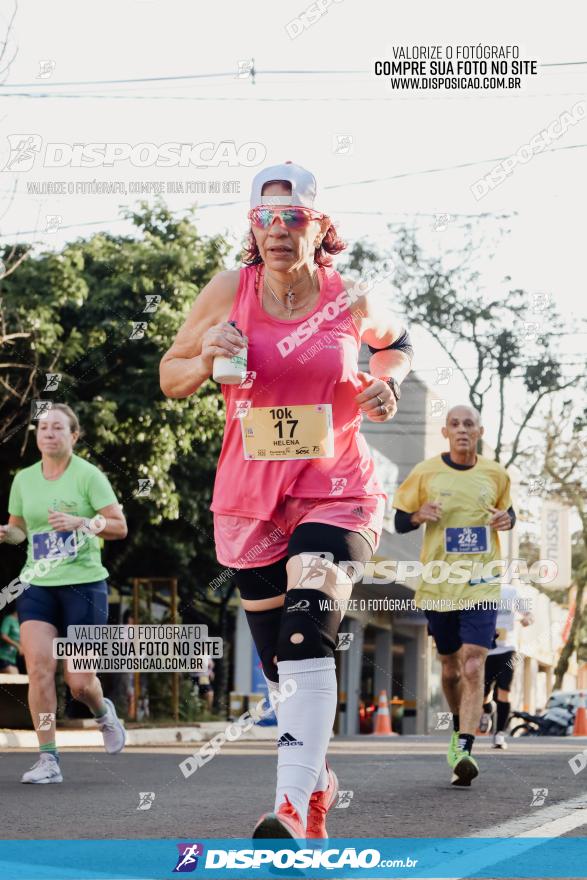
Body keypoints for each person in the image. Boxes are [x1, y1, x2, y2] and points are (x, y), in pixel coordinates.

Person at [160, 161, 413, 838]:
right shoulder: (227, 290)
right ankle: (317, 778)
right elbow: (171, 374)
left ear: (319, 226)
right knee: (279, 663)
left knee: (309, 624)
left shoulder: (350, 296)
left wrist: (383, 386)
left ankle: (292, 805)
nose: (276, 231)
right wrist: (206, 357)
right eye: (263, 219)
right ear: (251, 227)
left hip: (337, 491)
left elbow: (395, 345)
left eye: (291, 218)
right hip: (249, 499)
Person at [0, 403, 128, 783]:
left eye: (58, 428)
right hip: (37, 584)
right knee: (39, 670)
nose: (49, 433)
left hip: (84, 586)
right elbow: (21, 528)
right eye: (43, 427)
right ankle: (48, 759)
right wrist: (10, 535)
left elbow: (119, 526)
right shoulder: (23, 480)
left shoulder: (89, 476)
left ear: (74, 436)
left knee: (79, 681)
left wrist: (83, 522)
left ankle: (103, 711)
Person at [393, 404, 516, 787]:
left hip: (481, 580)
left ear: (480, 431)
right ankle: (457, 733)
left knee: (474, 664)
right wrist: (417, 515)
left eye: (469, 424)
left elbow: (510, 515)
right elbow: (398, 520)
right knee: (449, 668)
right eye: (455, 424)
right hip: (440, 582)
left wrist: (506, 520)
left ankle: (464, 747)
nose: (462, 430)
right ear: (446, 432)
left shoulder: (496, 474)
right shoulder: (426, 472)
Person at [479, 582, 533, 748]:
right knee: (483, 693)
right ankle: (488, 710)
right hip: (486, 650)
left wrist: (526, 619)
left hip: (508, 650)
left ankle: (499, 734)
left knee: (504, 692)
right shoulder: (479, 592)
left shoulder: (511, 592)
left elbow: (530, 615)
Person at [0, 609, 21, 674]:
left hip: (12, 659)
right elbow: (3, 635)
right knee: (16, 679)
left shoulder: (19, 624)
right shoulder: (8, 619)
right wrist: (18, 646)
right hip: (3, 656)